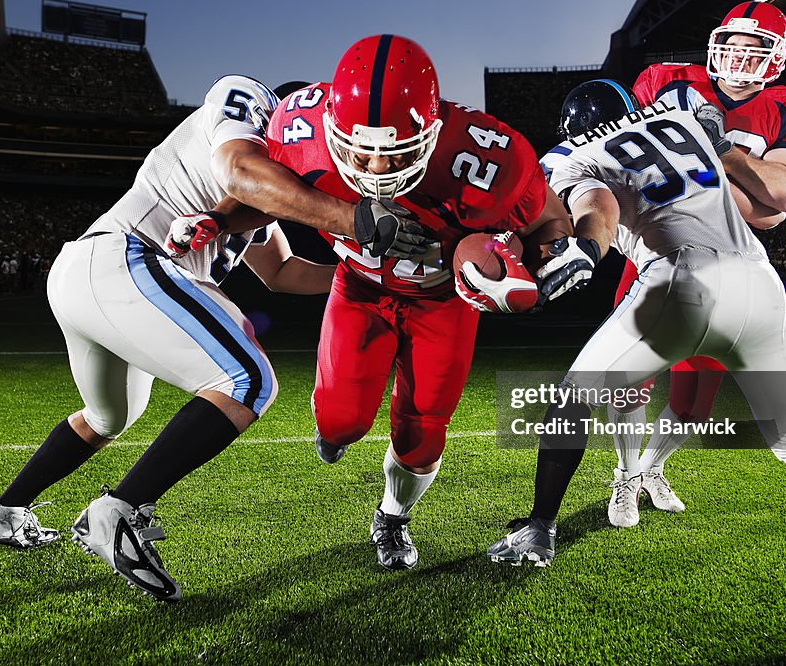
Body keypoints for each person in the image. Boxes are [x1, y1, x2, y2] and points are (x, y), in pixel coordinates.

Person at [0, 74, 416, 601]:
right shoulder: (247, 106)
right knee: (246, 380)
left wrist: (369, 274)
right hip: (123, 257)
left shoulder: (267, 193)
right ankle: (118, 511)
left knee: (109, 418)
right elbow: (240, 171)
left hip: (95, 280)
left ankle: (4, 512)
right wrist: (349, 218)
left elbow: (282, 272)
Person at [486, 80, 786, 619]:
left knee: (572, 398)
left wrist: (586, 248)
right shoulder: (684, 122)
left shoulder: (575, 157)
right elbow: (768, 213)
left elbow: (598, 205)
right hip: (758, 280)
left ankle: (539, 528)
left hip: (680, 280)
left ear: (571, 130)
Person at [219, 34, 571, 570]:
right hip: (359, 290)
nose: (378, 166)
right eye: (360, 148)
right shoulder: (298, 128)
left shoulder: (489, 157)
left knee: (422, 432)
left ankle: (392, 516)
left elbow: (550, 222)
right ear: (331, 127)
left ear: (433, 130)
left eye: (396, 150)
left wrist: (538, 266)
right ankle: (334, 429)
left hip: (443, 302)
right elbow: (259, 191)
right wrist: (216, 220)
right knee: (340, 422)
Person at [605, 1, 786, 528]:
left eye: (753, 49)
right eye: (731, 45)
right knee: (629, 378)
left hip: (727, 267)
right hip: (657, 253)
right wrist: (744, 189)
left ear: (776, 58)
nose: (737, 57)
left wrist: (718, 149)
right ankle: (623, 476)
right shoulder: (666, 82)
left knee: (694, 403)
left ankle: (650, 468)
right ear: (716, 45)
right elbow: (757, 205)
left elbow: (780, 199)